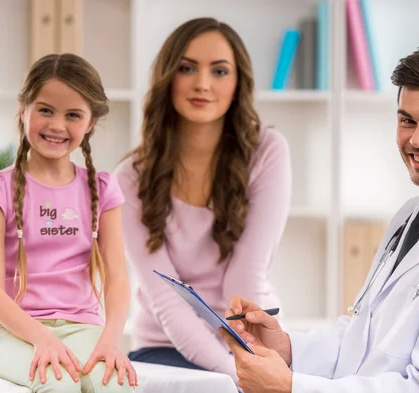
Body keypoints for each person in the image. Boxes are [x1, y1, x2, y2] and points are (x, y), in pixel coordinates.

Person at [219, 43, 419, 393]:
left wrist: (290, 387)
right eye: (407, 121)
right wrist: (285, 347)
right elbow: (360, 341)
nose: (418, 139)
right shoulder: (413, 216)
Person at [113, 17, 291, 382]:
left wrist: (250, 362)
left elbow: (246, 277)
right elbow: (166, 301)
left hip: (250, 337)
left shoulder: (268, 152)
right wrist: (236, 377)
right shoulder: (130, 177)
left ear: (238, 82)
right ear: (167, 77)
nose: (203, 84)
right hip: (165, 346)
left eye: (220, 71)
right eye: (186, 68)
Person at [0, 53, 137, 392]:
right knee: (58, 384)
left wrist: (111, 339)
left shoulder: (102, 188)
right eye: (45, 110)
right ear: (24, 109)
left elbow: (118, 278)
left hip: (82, 327)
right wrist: (41, 338)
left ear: (90, 123)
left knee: (115, 386)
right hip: (10, 331)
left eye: (73, 115)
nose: (57, 125)